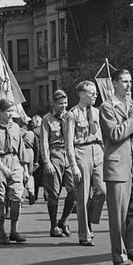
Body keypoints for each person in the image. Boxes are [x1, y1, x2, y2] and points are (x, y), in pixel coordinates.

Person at [99, 69, 133, 265]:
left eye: (130, 81)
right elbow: (114, 133)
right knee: (118, 213)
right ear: (114, 83)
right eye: (124, 82)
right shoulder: (107, 107)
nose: (129, 86)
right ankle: (119, 255)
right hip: (117, 165)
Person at [65, 80, 107, 246]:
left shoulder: (97, 113)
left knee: (102, 191)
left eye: (96, 93)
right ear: (82, 94)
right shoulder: (72, 114)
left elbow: (103, 136)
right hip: (81, 152)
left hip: (97, 151)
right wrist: (73, 165)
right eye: (92, 93)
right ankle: (84, 234)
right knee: (82, 196)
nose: (95, 95)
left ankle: (89, 220)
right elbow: (68, 143)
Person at [0, 98, 28, 245]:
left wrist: (25, 169)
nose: (11, 114)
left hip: (14, 161)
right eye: (8, 111)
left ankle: (14, 230)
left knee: (17, 197)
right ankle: (1, 232)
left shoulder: (16, 127)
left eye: (12, 111)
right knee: (0, 200)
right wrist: (3, 168)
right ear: (1, 112)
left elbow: (21, 149)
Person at [39, 90, 76, 236]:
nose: (63, 106)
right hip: (54, 156)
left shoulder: (70, 116)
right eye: (60, 103)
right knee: (54, 193)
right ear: (53, 103)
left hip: (69, 156)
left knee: (74, 190)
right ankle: (54, 225)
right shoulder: (46, 119)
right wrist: (46, 162)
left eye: (65, 103)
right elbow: (43, 143)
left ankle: (64, 220)